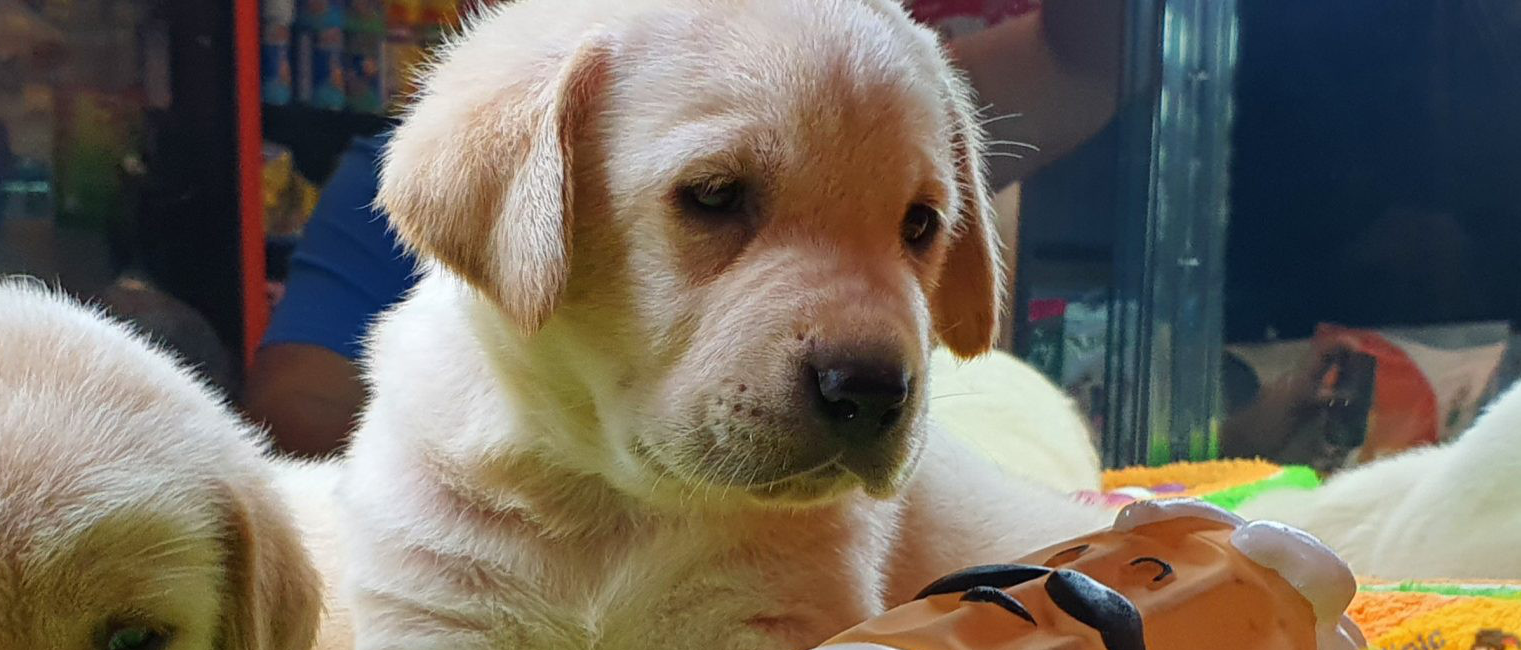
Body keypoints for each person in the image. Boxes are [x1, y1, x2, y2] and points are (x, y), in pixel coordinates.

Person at [241, 0, 1127, 457]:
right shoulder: (530, 112)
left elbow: (1087, 63)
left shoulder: (871, 78)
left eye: (918, 225)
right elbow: (294, 403)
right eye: (714, 196)